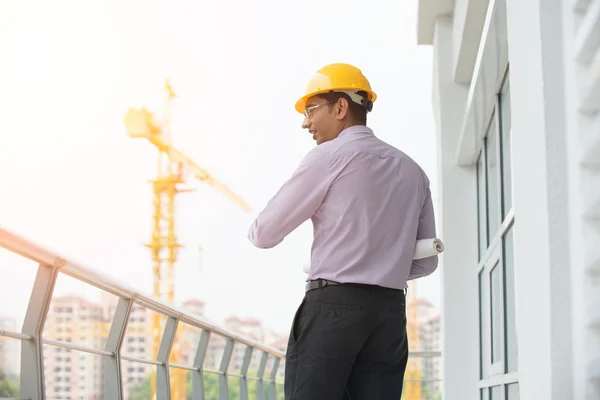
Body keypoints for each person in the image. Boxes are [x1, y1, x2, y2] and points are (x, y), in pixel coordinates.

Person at [247, 63, 438, 400]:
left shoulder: (327, 157)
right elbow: (426, 263)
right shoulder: (413, 171)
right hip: (389, 315)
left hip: (333, 309)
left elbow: (264, 234)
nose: (305, 122)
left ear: (340, 107)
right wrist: (383, 266)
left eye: (311, 110)